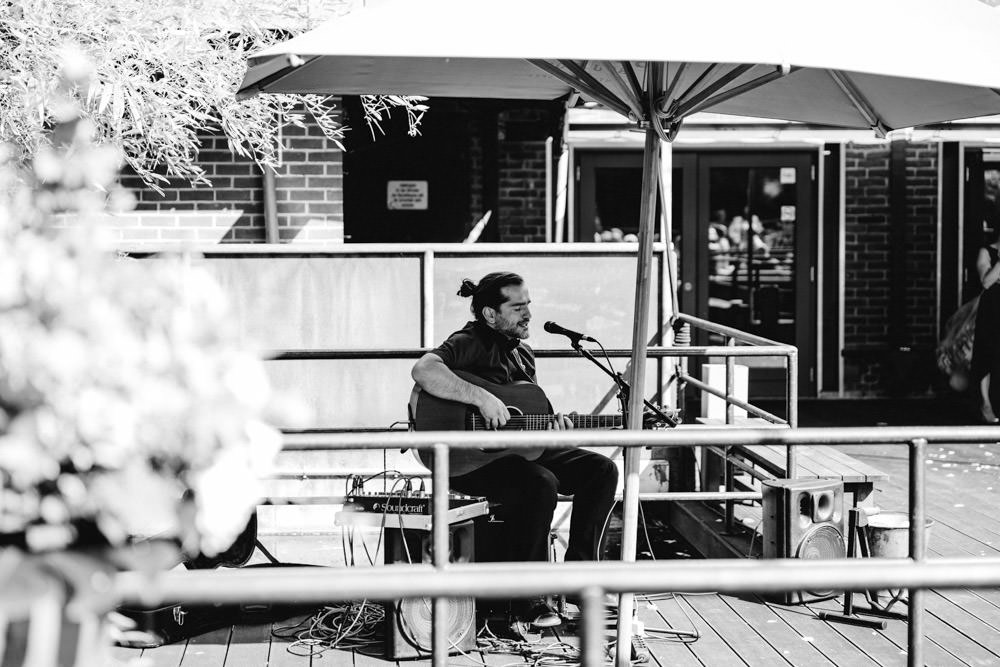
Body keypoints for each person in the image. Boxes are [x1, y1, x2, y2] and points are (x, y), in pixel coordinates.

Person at [410, 271, 619, 628]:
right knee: (540, 482)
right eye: (517, 307)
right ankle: (530, 598)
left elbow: (527, 416)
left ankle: (580, 582)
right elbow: (424, 370)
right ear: (490, 314)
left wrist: (554, 430)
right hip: (470, 461)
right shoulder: (469, 341)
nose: (528, 315)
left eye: (528, 306)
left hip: (518, 452)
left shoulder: (524, 355)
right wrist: (482, 399)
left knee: (601, 471)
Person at [971, 229, 1000, 422]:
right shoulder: (987, 252)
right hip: (993, 309)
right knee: (988, 355)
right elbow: (987, 281)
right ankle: (986, 404)